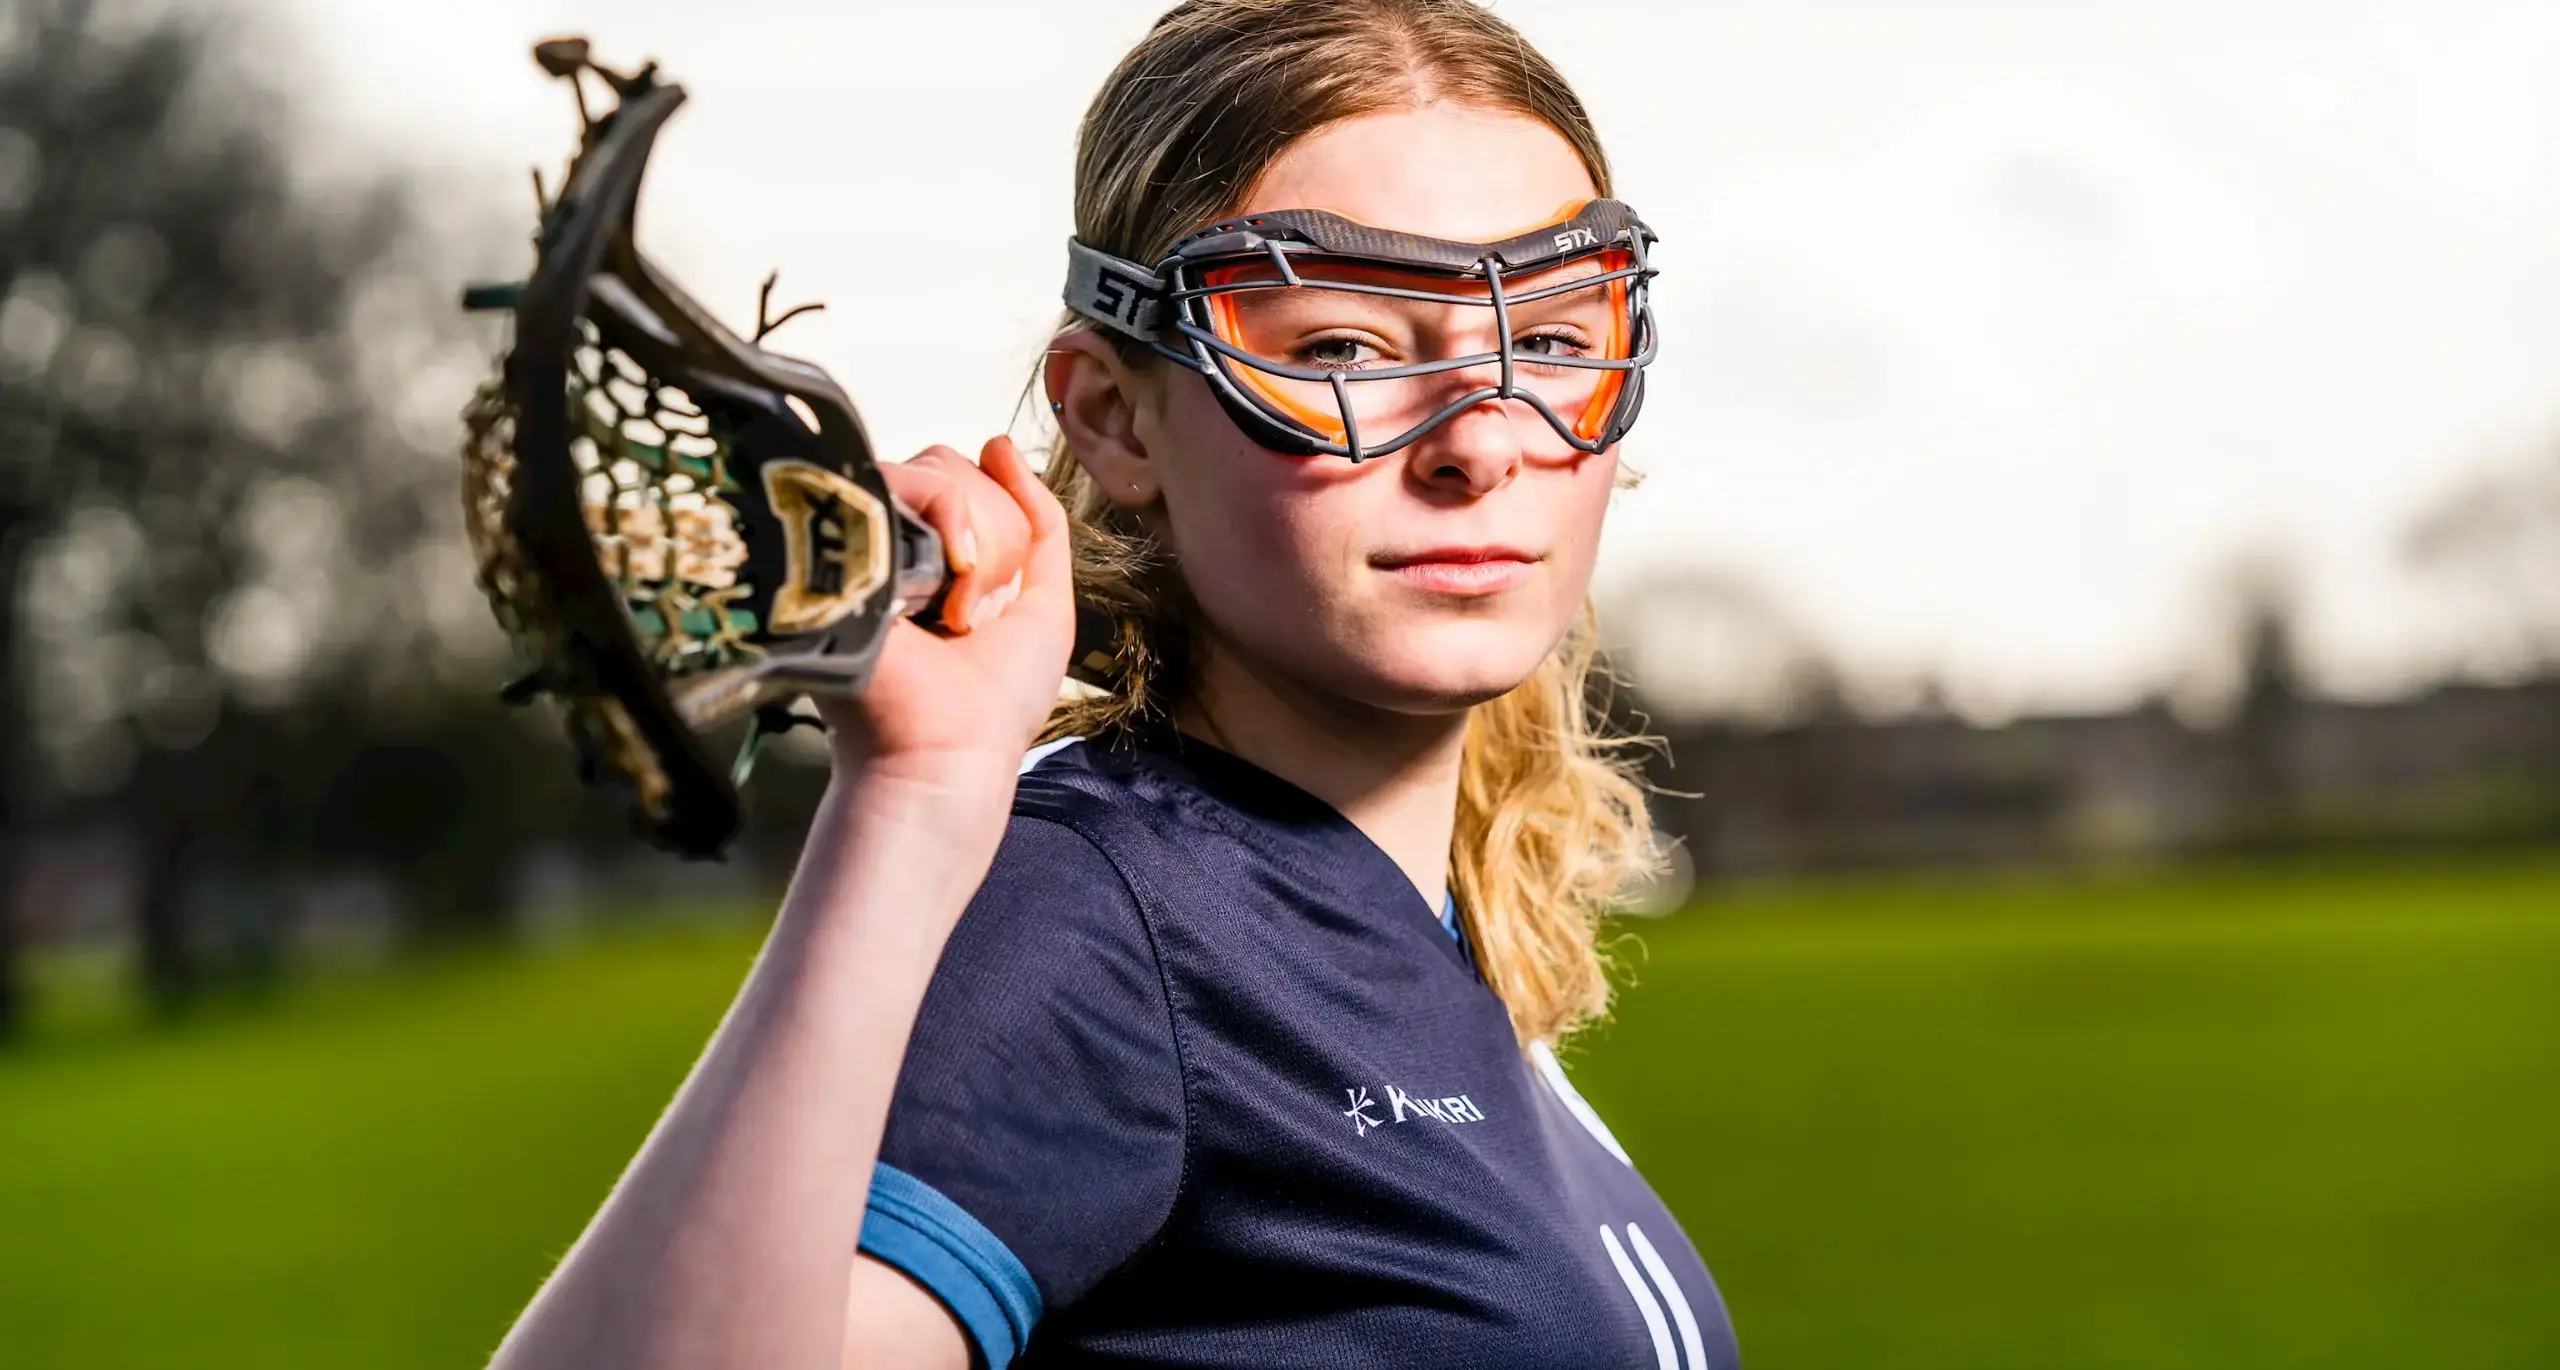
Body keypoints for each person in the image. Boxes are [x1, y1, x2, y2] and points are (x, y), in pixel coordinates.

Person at [488, 2, 1733, 1367]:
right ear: (1111, 412)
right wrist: (912, 798)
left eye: (1550, 338)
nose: (1480, 443)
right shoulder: (1108, 922)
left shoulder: (1413, 931)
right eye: (1342, 351)